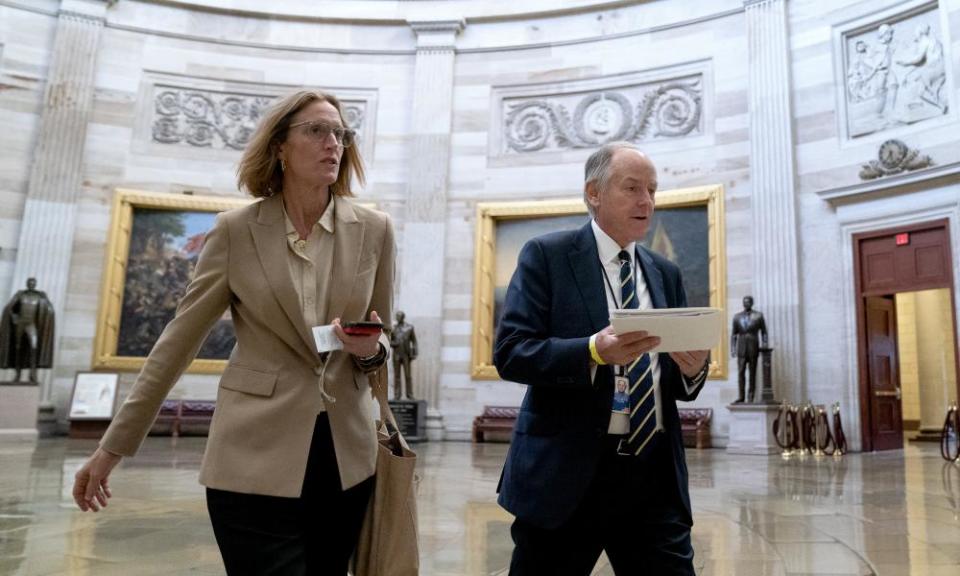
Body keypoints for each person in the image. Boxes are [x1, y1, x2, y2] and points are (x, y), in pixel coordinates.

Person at [71, 90, 396, 576]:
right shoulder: (235, 230)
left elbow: (381, 337)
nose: (334, 143)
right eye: (316, 131)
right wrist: (112, 447)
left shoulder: (375, 229)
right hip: (250, 456)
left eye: (340, 133)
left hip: (346, 461)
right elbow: (176, 345)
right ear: (280, 147)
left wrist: (371, 350)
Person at [494, 141, 710, 575]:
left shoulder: (664, 272)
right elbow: (512, 352)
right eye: (632, 188)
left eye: (652, 190)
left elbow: (678, 382)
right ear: (594, 192)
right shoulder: (548, 255)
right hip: (567, 477)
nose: (646, 201)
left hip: (654, 476)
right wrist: (593, 351)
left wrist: (692, 370)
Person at [0, 277, 56, 383]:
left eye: (33, 283)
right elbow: (9, 308)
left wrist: (47, 301)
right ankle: (17, 374)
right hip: (20, 323)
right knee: (18, 348)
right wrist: (14, 317)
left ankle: (33, 373)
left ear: (35, 284)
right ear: (27, 283)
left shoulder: (39, 296)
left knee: (33, 347)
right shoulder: (20, 294)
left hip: (31, 324)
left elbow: (49, 309)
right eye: (29, 282)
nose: (31, 284)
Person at [730, 295, 768, 404]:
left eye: (748, 302)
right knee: (741, 372)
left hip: (753, 346)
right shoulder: (737, 317)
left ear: (752, 303)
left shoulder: (758, 316)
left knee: (752, 373)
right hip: (741, 348)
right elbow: (733, 335)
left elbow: (764, 332)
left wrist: (764, 343)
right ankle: (741, 397)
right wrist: (733, 348)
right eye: (744, 302)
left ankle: (750, 396)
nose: (746, 304)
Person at [389, 310, 418, 399]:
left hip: (406, 355)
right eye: (396, 316)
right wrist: (395, 343)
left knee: (408, 375)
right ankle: (397, 395)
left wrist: (414, 353)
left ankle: (410, 395)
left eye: (399, 316)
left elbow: (414, 341)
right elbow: (389, 341)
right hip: (396, 355)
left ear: (403, 317)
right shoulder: (393, 329)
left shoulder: (409, 328)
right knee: (397, 375)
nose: (397, 318)